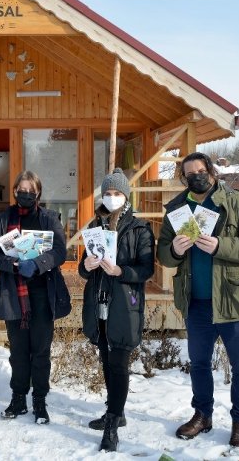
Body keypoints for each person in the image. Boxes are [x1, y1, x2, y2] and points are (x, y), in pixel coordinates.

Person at [157, 152, 239, 449]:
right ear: (184, 177)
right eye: (190, 173)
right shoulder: (177, 208)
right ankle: (202, 415)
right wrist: (176, 250)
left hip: (232, 299)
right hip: (196, 302)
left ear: (212, 171)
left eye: (201, 170)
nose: (196, 176)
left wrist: (222, 245)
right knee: (200, 364)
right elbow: (163, 254)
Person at [79, 168, 156, 452]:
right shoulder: (94, 226)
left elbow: (147, 269)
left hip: (124, 304)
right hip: (99, 304)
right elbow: (84, 267)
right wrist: (85, 267)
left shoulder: (139, 229)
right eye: (108, 193)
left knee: (119, 364)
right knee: (106, 361)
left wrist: (121, 270)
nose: (112, 198)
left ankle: (112, 424)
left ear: (126, 196)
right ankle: (116, 411)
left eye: (117, 193)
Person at [0, 171, 71, 425]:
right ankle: (18, 398)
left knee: (41, 350)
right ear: (14, 191)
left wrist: (37, 264)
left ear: (38, 192)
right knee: (18, 351)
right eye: (21, 189)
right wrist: (12, 264)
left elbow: (60, 251)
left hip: (43, 293)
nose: (25, 193)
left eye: (30, 190)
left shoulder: (49, 218)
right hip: (14, 293)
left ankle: (40, 400)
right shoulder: (3, 220)